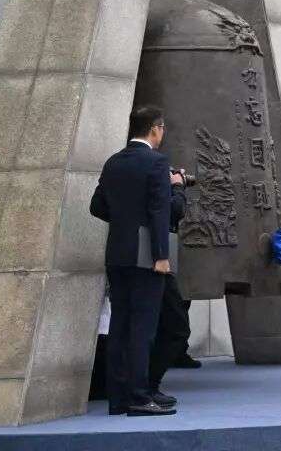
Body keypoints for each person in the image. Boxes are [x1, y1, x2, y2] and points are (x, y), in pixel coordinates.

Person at [89, 105, 176, 416]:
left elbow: (96, 206)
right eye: (162, 128)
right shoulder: (157, 162)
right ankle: (139, 396)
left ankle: (118, 399)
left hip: (117, 253)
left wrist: (124, 221)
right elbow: (159, 212)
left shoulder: (113, 161)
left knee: (120, 325)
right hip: (145, 257)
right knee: (142, 328)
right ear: (155, 129)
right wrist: (161, 256)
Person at [146, 172, 189, 408]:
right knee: (176, 326)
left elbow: (98, 207)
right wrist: (178, 187)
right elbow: (176, 209)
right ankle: (147, 386)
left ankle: (133, 387)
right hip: (156, 260)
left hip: (125, 257)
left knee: (135, 327)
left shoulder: (117, 167)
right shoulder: (154, 167)